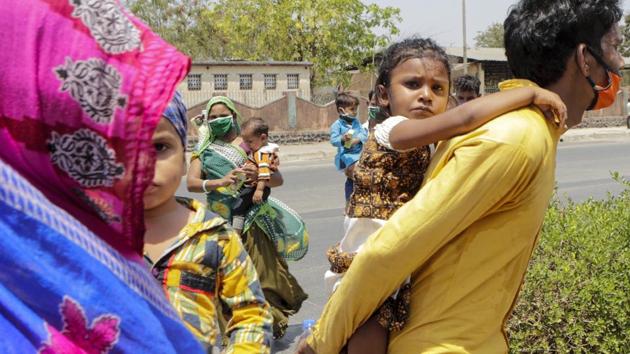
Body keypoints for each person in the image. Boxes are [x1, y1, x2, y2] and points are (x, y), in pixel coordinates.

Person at [297, 0, 624, 352]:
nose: (620, 62)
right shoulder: (515, 140)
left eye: (438, 88)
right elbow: (387, 251)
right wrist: (319, 344)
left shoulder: (527, 132)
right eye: (616, 47)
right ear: (585, 58)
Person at [323, 37, 567, 354]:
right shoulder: (392, 130)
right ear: (384, 95)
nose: (425, 96)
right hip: (366, 266)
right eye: (413, 84)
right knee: (368, 340)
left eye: (437, 89)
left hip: (396, 272)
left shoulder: (431, 142)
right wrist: (530, 93)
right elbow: (464, 119)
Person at [0, 0, 204, 352]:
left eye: (158, 148)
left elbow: (248, 312)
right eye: (117, 143)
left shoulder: (208, 236)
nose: (138, 167)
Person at [144, 93, 272, 352]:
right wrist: (221, 182)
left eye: (159, 147)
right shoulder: (93, 237)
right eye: (125, 147)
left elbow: (250, 315)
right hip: (222, 209)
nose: (143, 162)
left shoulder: (215, 237)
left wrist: (259, 175)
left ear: (181, 155)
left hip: (248, 218)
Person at [187, 96, 308, 339]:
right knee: (227, 281)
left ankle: (267, 324)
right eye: (212, 117)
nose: (217, 120)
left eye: (222, 115)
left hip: (254, 221)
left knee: (264, 276)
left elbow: (277, 179)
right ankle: (235, 332)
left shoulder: (250, 142)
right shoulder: (203, 149)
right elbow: (191, 183)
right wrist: (220, 181)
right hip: (221, 223)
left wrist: (257, 175)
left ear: (233, 115)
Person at [231, 117, 280, 235]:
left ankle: (236, 236)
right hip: (257, 187)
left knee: (237, 208)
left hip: (257, 188)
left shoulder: (262, 153)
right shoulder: (261, 150)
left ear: (262, 138)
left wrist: (259, 190)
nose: (247, 145)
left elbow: (264, 172)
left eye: (249, 142)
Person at [329, 92, 368, 202]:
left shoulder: (356, 122)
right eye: (352, 109)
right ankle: (350, 201)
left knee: (354, 180)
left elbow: (363, 133)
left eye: (356, 109)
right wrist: (342, 139)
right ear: (342, 110)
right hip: (347, 156)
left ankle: (356, 200)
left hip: (359, 153)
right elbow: (333, 141)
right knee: (357, 175)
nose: (355, 112)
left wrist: (357, 139)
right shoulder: (337, 125)